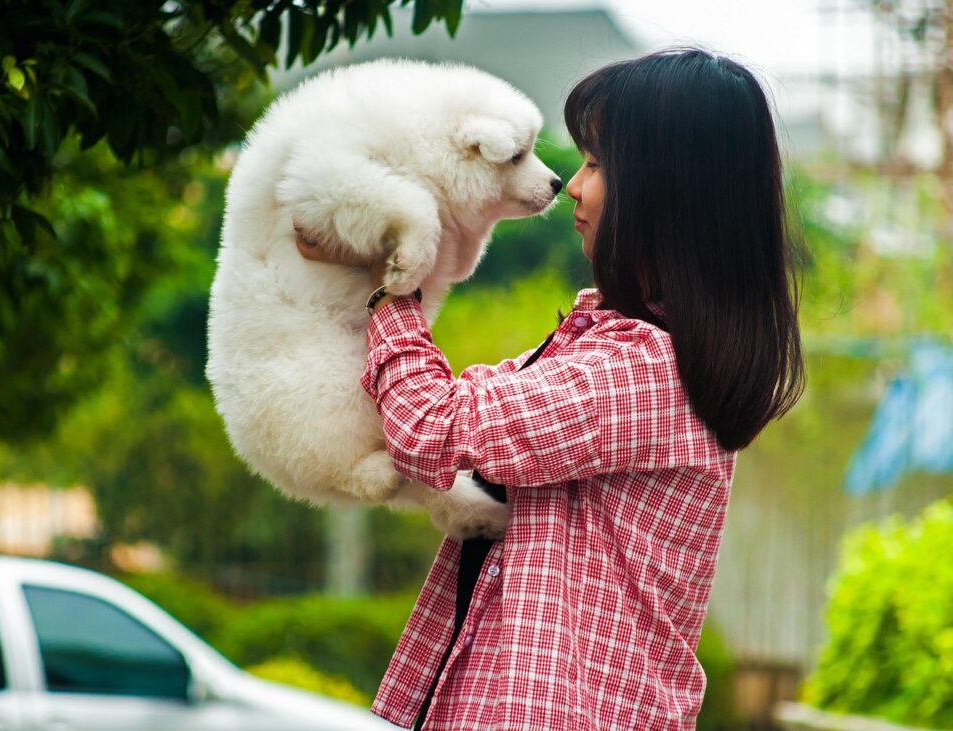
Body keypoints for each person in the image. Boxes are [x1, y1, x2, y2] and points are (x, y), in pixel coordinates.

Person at [297, 48, 804, 731]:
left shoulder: (641, 373)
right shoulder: (607, 346)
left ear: (664, 192)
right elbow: (466, 406)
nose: (573, 185)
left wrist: (393, 283)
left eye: (596, 164)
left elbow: (432, 428)